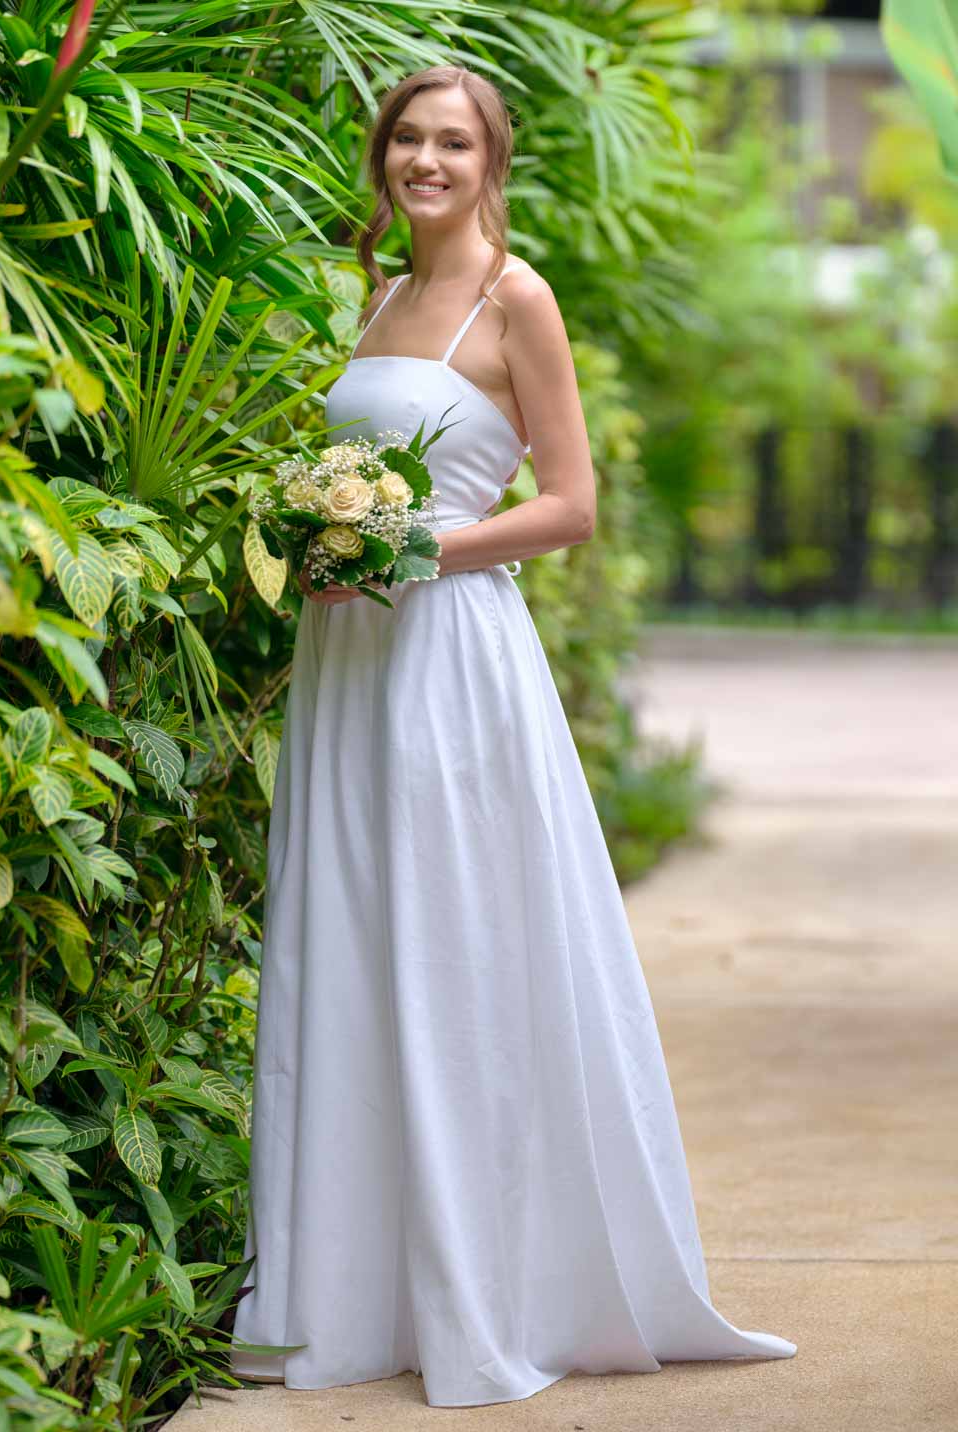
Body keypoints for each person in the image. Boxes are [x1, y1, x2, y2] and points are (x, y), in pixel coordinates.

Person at [231, 64, 797, 1410]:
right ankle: (354, 1293)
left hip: (451, 663)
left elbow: (573, 506)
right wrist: (319, 547)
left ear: (491, 164)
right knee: (356, 949)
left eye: (452, 143)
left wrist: (419, 546)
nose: (426, 161)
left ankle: (494, 1287)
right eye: (408, 140)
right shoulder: (369, 295)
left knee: (451, 947)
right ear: (385, 158)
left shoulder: (513, 296)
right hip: (351, 660)